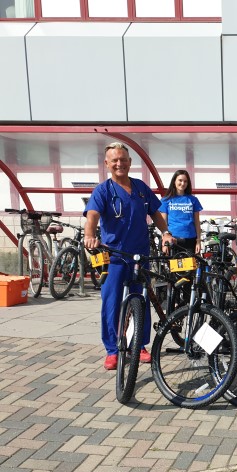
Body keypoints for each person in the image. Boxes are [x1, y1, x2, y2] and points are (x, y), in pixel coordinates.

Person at [84, 142, 174, 371]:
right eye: (114, 160)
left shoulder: (141, 188)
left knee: (141, 301)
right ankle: (112, 350)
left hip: (140, 255)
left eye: (123, 159)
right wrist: (89, 235)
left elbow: (155, 213)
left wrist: (165, 233)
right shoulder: (102, 191)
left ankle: (139, 345)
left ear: (130, 162)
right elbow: (92, 215)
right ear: (107, 164)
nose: (119, 163)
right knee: (112, 303)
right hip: (114, 257)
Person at [159, 169, 203, 254]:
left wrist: (198, 241)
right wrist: (165, 243)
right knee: (174, 267)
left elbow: (197, 222)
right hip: (173, 240)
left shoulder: (193, 200)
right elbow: (163, 222)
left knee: (190, 267)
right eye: (180, 180)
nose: (183, 183)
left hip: (190, 240)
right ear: (174, 181)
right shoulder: (166, 200)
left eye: (185, 181)